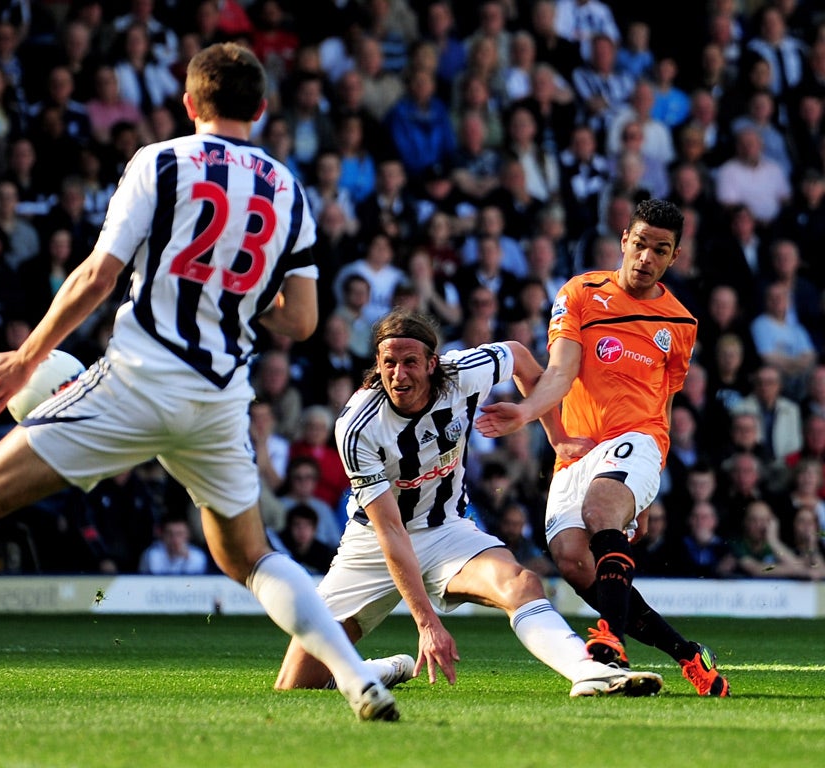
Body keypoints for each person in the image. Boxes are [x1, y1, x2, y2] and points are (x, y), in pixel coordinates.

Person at [0, 43, 399, 723]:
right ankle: (354, 679)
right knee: (252, 555)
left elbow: (97, 276)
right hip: (220, 399)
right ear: (261, 109)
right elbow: (303, 320)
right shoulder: (287, 187)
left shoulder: (160, 161)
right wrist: (235, 286)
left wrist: (28, 356)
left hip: (141, 377)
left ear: (188, 103)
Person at [275, 309, 663, 698]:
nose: (398, 374)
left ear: (432, 363)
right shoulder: (358, 426)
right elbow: (391, 531)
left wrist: (556, 436)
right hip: (374, 545)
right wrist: (426, 624)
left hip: (445, 530)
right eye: (388, 363)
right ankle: (374, 670)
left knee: (522, 583)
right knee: (294, 685)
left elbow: (520, 358)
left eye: (410, 362)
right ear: (377, 363)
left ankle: (589, 672)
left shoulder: (462, 372)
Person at [477, 198, 730, 697]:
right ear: (624, 242)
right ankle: (689, 655)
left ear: (674, 257)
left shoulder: (680, 324)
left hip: (637, 440)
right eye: (640, 245)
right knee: (572, 560)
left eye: (661, 250)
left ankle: (608, 638)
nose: (646, 258)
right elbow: (560, 372)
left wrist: (643, 492)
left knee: (600, 511)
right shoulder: (582, 293)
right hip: (576, 450)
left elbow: (664, 402)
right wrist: (527, 413)